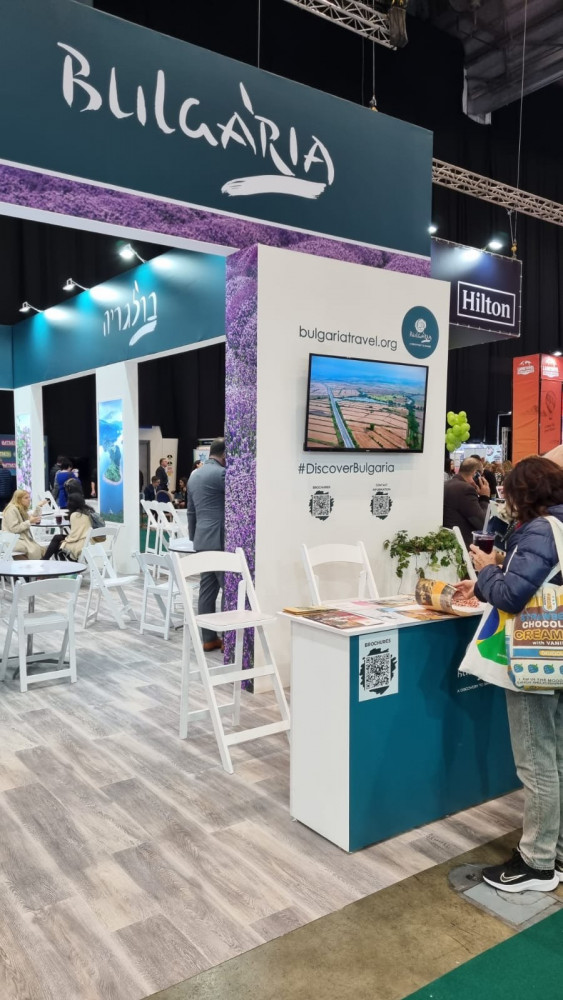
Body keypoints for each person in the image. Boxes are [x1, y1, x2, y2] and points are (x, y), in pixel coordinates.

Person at [454, 456, 563, 893]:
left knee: (536, 761)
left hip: (535, 658)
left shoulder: (539, 530)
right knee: (555, 757)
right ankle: (555, 851)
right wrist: (497, 570)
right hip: (557, 654)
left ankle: (536, 863)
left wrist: (487, 571)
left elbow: (513, 596)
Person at [187, 437, 226, 652]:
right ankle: (229, 639)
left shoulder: (194, 476)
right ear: (225, 454)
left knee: (207, 591)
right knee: (229, 589)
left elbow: (191, 512)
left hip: (202, 539)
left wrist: (195, 537)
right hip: (220, 539)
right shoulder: (222, 474)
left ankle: (209, 639)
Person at [443, 456, 490, 550]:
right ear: (476, 474)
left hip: (451, 544)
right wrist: (484, 497)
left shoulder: (447, 484)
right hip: (465, 547)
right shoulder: (466, 489)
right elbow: (483, 524)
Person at [43, 491, 98, 561]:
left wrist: (65, 541)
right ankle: (48, 560)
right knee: (57, 538)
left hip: (81, 543)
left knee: (57, 543)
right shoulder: (89, 511)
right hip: (90, 541)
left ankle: (45, 560)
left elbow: (74, 536)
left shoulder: (76, 515)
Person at [2, 489, 47, 558]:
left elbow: (32, 518)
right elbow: (14, 529)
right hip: (12, 540)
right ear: (18, 499)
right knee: (35, 549)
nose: (29, 500)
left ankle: (38, 562)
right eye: (26, 498)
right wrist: (29, 522)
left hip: (22, 537)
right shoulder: (11, 510)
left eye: (29, 497)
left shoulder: (21, 508)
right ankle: (35, 563)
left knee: (40, 548)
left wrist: (39, 506)